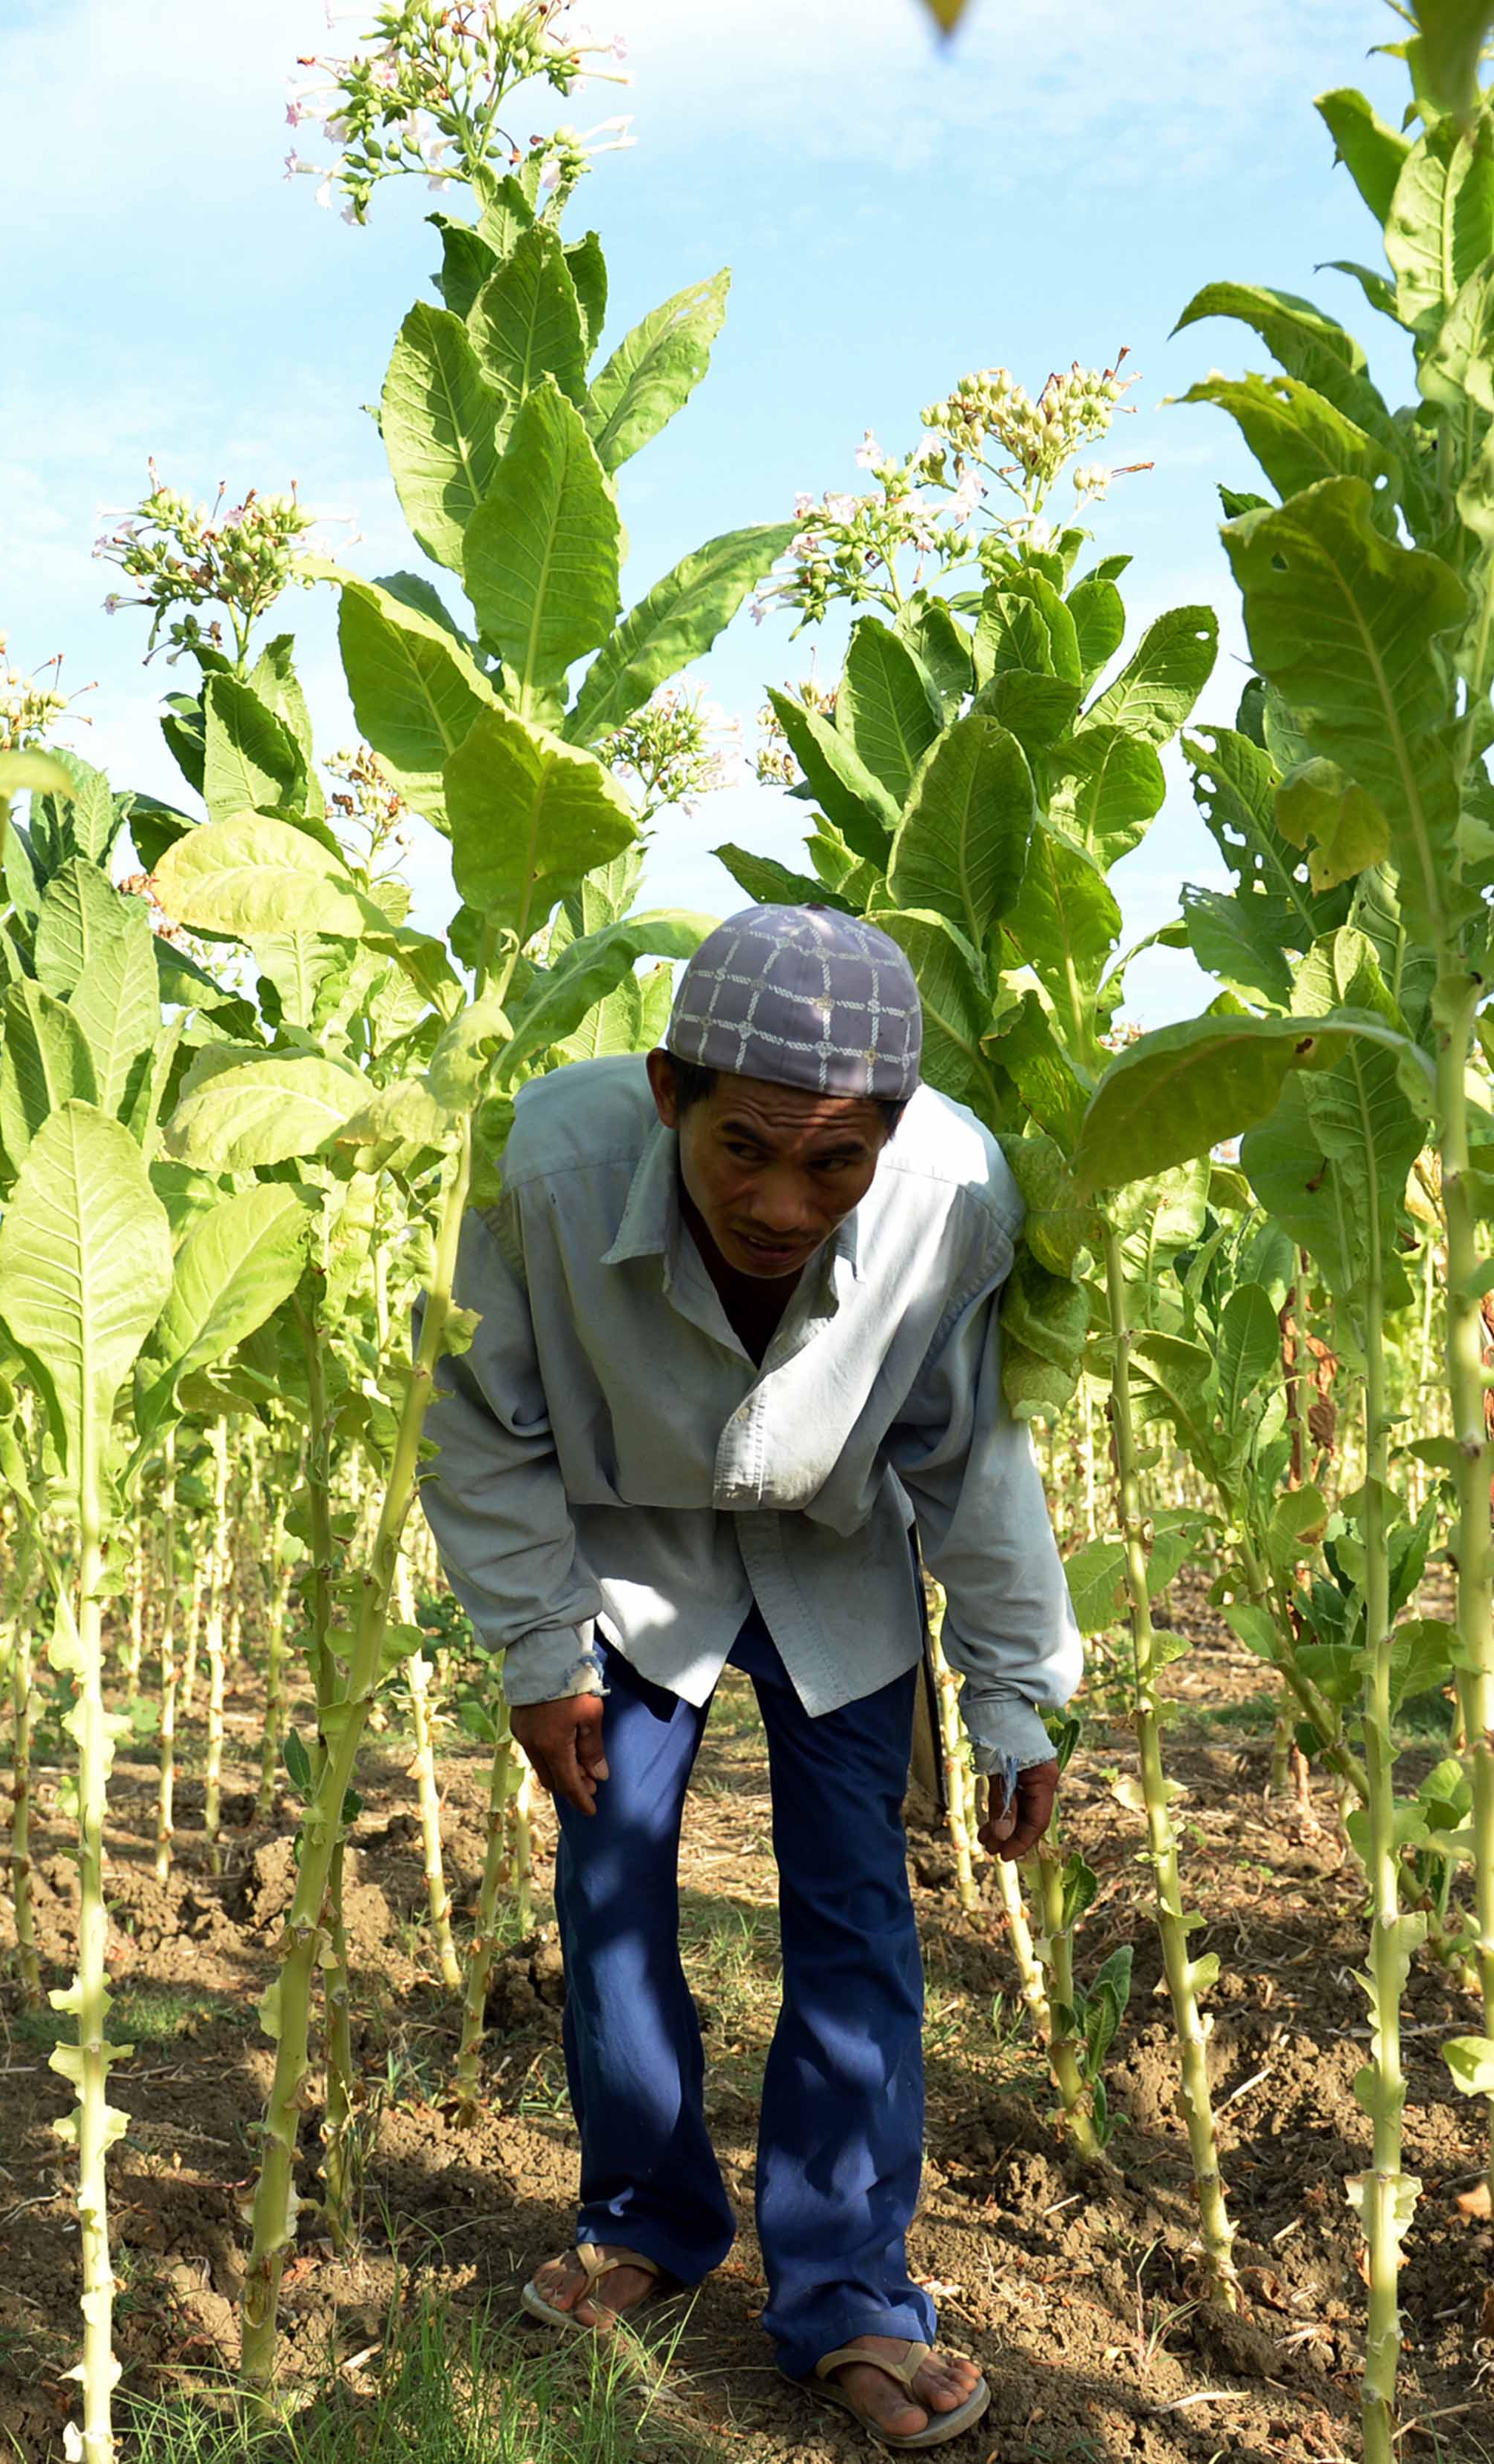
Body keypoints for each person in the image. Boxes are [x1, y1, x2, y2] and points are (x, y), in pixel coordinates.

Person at [420, 903, 1080, 2450]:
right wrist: (534, 1647)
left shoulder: (950, 1198)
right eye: (745, 1152)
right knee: (611, 1881)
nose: (786, 1201)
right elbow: (483, 1427)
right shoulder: (539, 1173)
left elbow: (972, 1455)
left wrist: (1009, 1685)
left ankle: (848, 2290)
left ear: (893, 1137)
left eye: (834, 1163)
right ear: (669, 1095)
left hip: (833, 1547)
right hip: (623, 1560)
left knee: (855, 1900)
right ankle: (646, 2220)